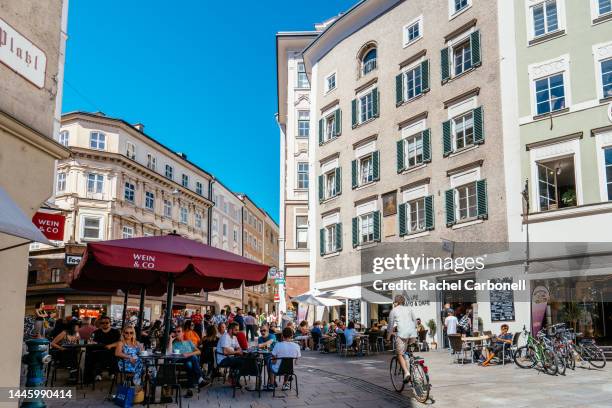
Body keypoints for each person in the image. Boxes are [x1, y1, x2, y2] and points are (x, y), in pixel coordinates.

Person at [168, 326, 207, 396]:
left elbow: (199, 351)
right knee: (193, 359)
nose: (177, 333)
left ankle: (190, 389)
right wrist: (171, 340)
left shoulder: (189, 342)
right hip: (179, 362)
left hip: (189, 362)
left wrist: (188, 354)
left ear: (183, 333)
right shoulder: (174, 344)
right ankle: (200, 379)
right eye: (175, 332)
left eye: (179, 331)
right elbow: (169, 354)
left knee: (190, 364)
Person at [386, 295, 417, 384]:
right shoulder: (409, 309)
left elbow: (390, 326)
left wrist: (388, 339)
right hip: (412, 334)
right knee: (409, 353)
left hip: (402, 334)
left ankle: (407, 373)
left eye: (394, 302)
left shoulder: (393, 311)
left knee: (399, 354)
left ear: (396, 302)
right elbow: (415, 322)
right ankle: (413, 369)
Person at [87, 315, 121, 382]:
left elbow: (120, 342)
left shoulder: (115, 332)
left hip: (112, 352)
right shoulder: (96, 332)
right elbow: (91, 341)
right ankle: (97, 374)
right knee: (94, 357)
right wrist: (92, 342)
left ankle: (112, 373)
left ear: (110, 323)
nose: (105, 324)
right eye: (102, 323)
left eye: (107, 322)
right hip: (99, 352)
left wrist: (111, 345)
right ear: (100, 324)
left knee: (113, 357)